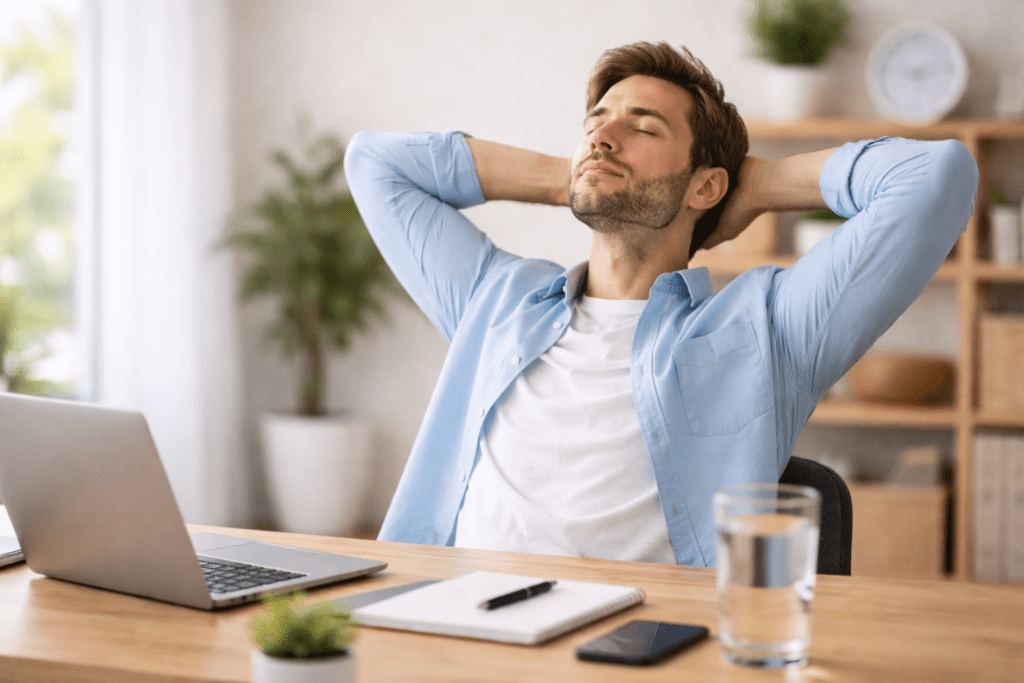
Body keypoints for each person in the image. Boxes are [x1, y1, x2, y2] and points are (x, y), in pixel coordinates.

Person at [343, 41, 978, 567]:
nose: (603, 135)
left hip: (644, 647)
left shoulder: (766, 328)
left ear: (706, 184)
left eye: (643, 127)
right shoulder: (496, 299)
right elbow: (374, 163)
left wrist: (758, 183)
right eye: (595, 121)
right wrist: (571, 179)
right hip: (455, 627)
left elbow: (937, 176)